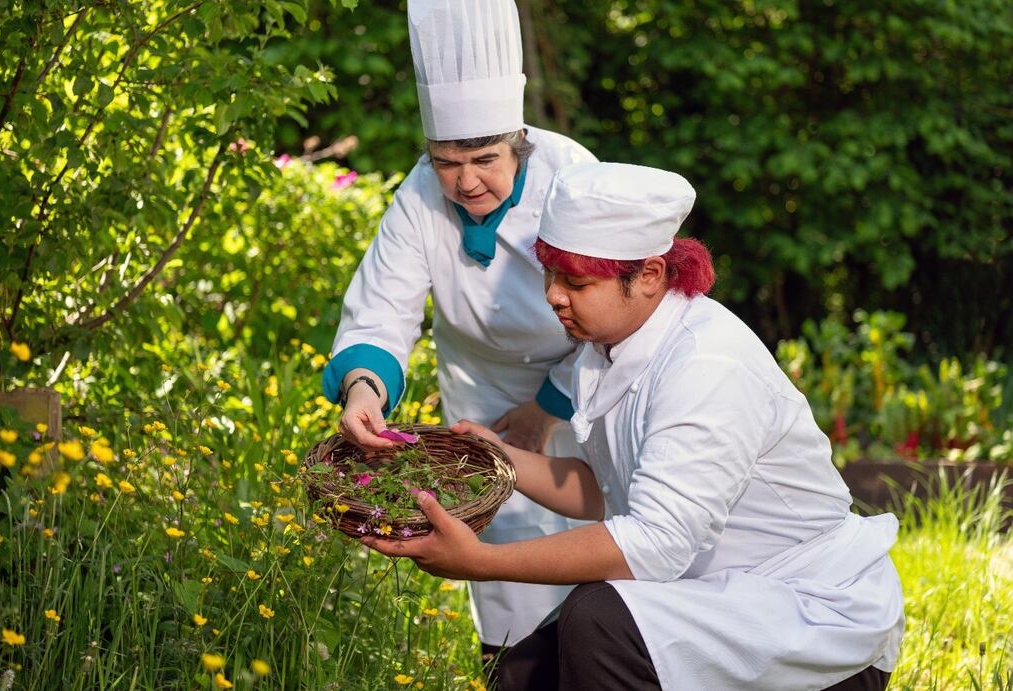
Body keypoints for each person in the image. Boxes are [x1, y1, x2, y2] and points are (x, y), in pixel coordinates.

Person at [362, 162, 906, 690]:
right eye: (549, 273)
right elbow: (609, 491)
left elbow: (654, 542)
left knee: (596, 619)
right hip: (718, 593)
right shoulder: (604, 349)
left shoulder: (706, 364)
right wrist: (499, 459)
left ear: (649, 274)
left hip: (808, 621)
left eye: (575, 281)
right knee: (523, 672)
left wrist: (481, 563)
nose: (553, 294)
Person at [323, 0, 596, 656]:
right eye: (448, 160)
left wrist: (546, 410)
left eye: (483, 158)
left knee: (602, 571)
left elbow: (614, 322)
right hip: (483, 399)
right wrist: (364, 389)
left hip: (585, 391)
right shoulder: (419, 196)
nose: (465, 180)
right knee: (510, 592)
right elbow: (383, 308)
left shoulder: (574, 180)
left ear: (518, 141)